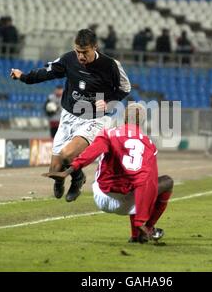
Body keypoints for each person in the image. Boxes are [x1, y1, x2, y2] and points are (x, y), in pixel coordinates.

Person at [10, 29, 131, 202]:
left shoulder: (111, 65)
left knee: (67, 155)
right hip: (68, 116)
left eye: (85, 52)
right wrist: (24, 77)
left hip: (95, 118)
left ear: (95, 47)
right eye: (78, 51)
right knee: (55, 169)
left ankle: (76, 179)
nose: (80, 56)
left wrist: (109, 100)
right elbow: (47, 73)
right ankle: (75, 176)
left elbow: (125, 88)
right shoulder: (69, 59)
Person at [43, 103, 173, 243]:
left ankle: (138, 235)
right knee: (163, 182)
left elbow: (89, 154)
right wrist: (140, 221)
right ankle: (145, 229)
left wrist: (69, 171)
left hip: (102, 196)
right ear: (142, 122)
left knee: (134, 183)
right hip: (129, 203)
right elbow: (146, 182)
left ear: (124, 118)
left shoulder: (109, 134)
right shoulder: (148, 144)